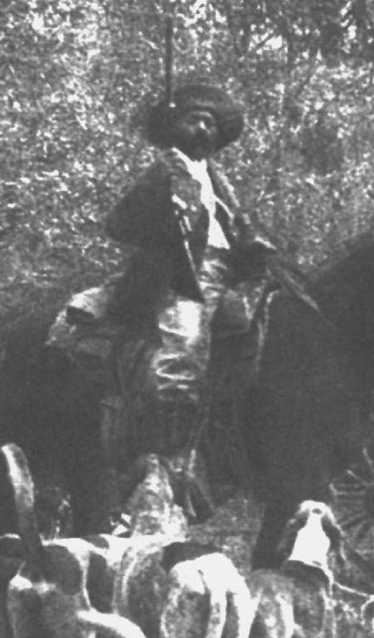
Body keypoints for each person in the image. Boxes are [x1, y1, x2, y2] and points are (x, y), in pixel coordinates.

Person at [104, 82, 275, 502]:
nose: (202, 128)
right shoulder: (163, 171)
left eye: (210, 122)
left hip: (223, 276)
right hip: (179, 277)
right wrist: (165, 207)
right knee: (182, 357)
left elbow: (239, 232)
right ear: (174, 127)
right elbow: (119, 225)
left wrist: (254, 251)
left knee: (253, 352)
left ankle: (218, 451)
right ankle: (160, 463)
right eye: (193, 119)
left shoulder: (218, 180)